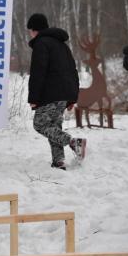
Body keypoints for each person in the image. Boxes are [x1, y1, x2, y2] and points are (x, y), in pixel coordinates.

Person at [27, 13, 86, 170]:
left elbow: (38, 73)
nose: (30, 34)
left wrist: (34, 98)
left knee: (39, 124)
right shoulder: (62, 45)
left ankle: (74, 142)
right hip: (64, 94)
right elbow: (73, 71)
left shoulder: (41, 44)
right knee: (54, 126)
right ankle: (58, 161)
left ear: (34, 30)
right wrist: (72, 98)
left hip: (50, 94)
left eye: (30, 30)